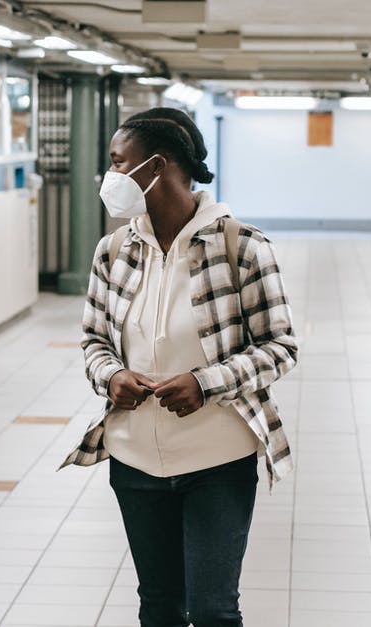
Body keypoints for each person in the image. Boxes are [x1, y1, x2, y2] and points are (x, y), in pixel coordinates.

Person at [61, 107, 299, 627]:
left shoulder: (243, 247)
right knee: (160, 605)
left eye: (117, 162)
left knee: (214, 610)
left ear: (157, 166)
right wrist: (111, 376)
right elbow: (94, 340)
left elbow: (281, 346)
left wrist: (204, 383)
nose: (110, 176)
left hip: (218, 458)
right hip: (135, 459)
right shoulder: (115, 250)